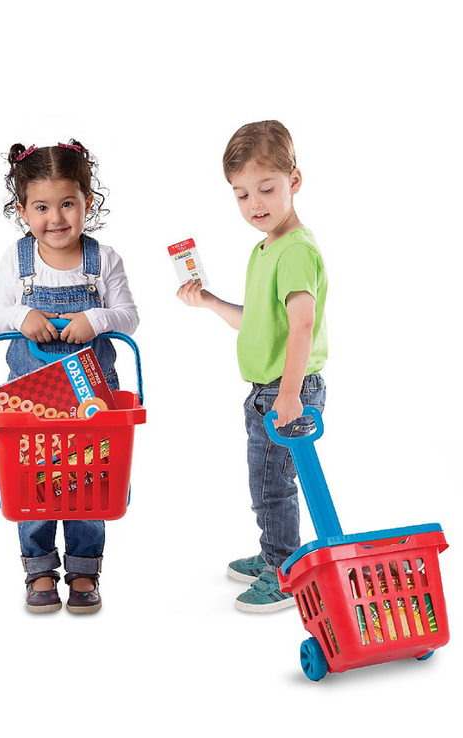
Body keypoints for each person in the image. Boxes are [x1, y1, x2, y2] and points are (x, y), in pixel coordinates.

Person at [177, 120, 328, 612]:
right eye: (241, 194)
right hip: (267, 389)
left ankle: (283, 569)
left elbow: (301, 327)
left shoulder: (297, 251)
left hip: (286, 388)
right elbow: (259, 323)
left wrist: (289, 394)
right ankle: (273, 552)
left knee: (272, 482)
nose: (255, 204)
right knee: (266, 479)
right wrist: (210, 302)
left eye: (266, 189)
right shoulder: (265, 249)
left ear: (294, 181)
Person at [0, 140, 139, 614]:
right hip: (30, 405)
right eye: (42, 207)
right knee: (33, 482)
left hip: (91, 401)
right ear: (23, 210)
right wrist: (20, 315)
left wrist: (96, 320)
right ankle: (39, 567)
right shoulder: (18, 261)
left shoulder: (104, 260)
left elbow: (129, 316)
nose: (56, 218)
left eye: (67, 204)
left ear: (87, 203)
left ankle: (84, 568)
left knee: (88, 481)